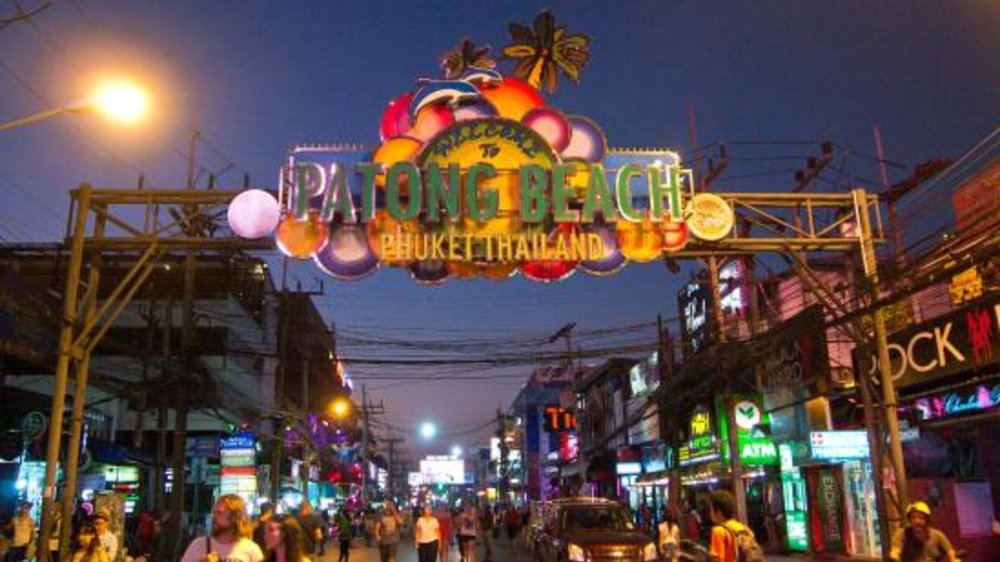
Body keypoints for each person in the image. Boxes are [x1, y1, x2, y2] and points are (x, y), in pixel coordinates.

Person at [179, 494, 264, 562]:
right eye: (213, 512)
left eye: (219, 513)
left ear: (234, 517)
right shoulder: (199, 545)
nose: (213, 516)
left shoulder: (251, 549)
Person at [889, 501, 958, 562]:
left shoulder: (937, 535)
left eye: (921, 517)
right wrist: (894, 556)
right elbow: (895, 552)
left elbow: (951, 554)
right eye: (913, 518)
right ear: (909, 520)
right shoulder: (902, 534)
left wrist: (953, 559)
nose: (917, 521)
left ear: (927, 520)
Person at [707, 490, 762, 562]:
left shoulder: (718, 531)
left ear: (719, 512)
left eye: (710, 509)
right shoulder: (743, 528)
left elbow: (717, 560)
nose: (709, 513)